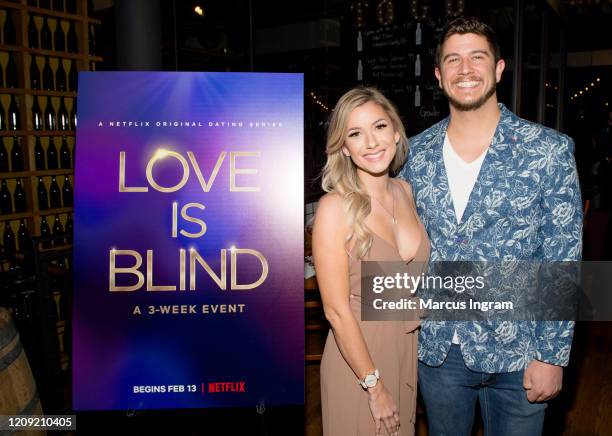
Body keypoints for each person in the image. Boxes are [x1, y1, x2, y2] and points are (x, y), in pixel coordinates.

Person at [399, 16, 582, 436]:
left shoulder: (548, 151)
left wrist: (552, 356)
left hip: (521, 353)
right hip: (438, 353)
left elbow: (562, 261)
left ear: (499, 68)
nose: (465, 70)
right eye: (453, 60)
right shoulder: (415, 154)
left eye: (477, 57)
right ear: (439, 75)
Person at [313, 87, 430, 436]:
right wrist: (374, 385)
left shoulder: (406, 191)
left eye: (379, 127)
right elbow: (335, 310)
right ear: (344, 147)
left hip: (404, 350)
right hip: (359, 363)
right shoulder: (335, 208)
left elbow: (405, 281)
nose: (371, 142)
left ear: (396, 131)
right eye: (355, 133)